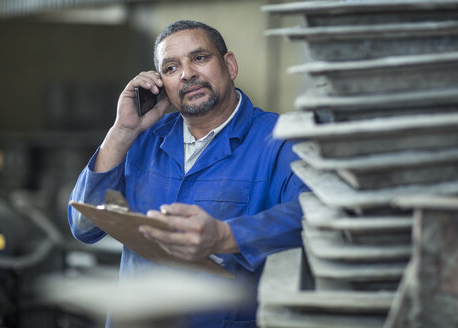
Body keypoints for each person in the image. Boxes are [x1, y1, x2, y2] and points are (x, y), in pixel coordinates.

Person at [68, 20, 307, 328]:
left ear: (230, 65)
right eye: (170, 68)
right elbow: (84, 226)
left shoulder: (280, 139)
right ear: (161, 85)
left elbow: (310, 216)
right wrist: (122, 131)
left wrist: (225, 236)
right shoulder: (143, 138)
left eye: (199, 58)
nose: (187, 74)